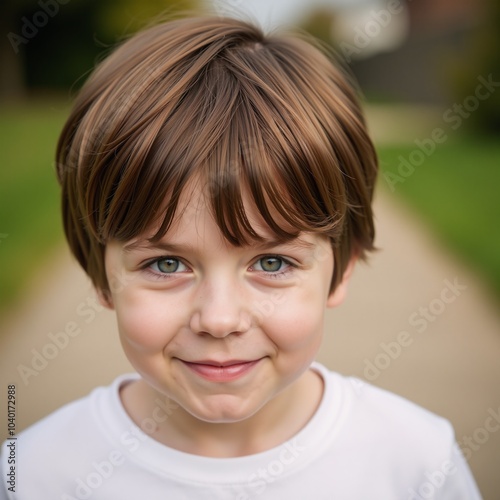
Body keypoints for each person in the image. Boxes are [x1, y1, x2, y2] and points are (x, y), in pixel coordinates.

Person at [0, 15, 481, 499]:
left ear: (343, 266)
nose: (220, 319)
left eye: (272, 263)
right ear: (100, 276)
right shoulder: (35, 475)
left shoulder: (417, 463)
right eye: (166, 264)